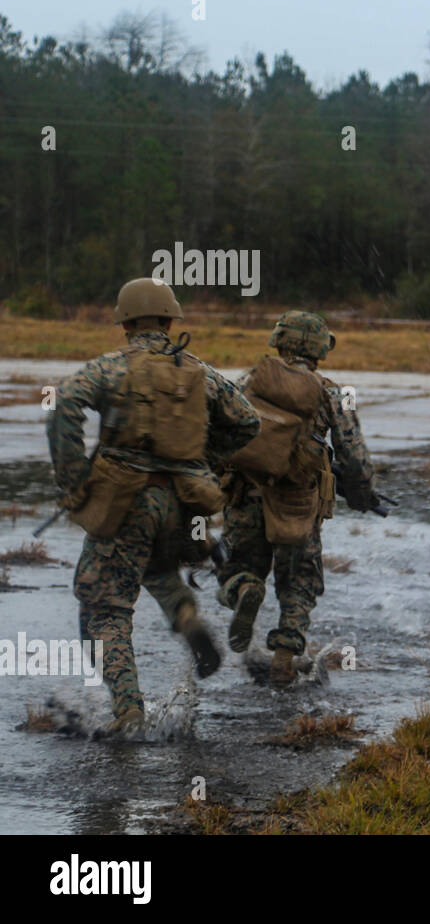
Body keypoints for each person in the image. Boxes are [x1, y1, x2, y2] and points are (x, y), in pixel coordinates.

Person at [47, 278, 259, 736]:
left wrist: (74, 481)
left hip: (124, 501)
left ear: (124, 322)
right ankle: (186, 618)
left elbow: (65, 403)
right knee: (159, 570)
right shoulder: (198, 370)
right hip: (184, 503)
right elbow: (247, 421)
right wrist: (203, 461)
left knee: (104, 607)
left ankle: (129, 711)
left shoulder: (111, 367)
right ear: (169, 320)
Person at [215, 311, 379, 687]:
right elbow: (353, 456)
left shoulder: (247, 382)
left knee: (235, 566)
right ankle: (285, 659)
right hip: (297, 505)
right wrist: (364, 495)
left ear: (279, 340)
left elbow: (218, 437)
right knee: (299, 582)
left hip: (245, 498)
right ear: (321, 348)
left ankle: (244, 589)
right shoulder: (333, 393)